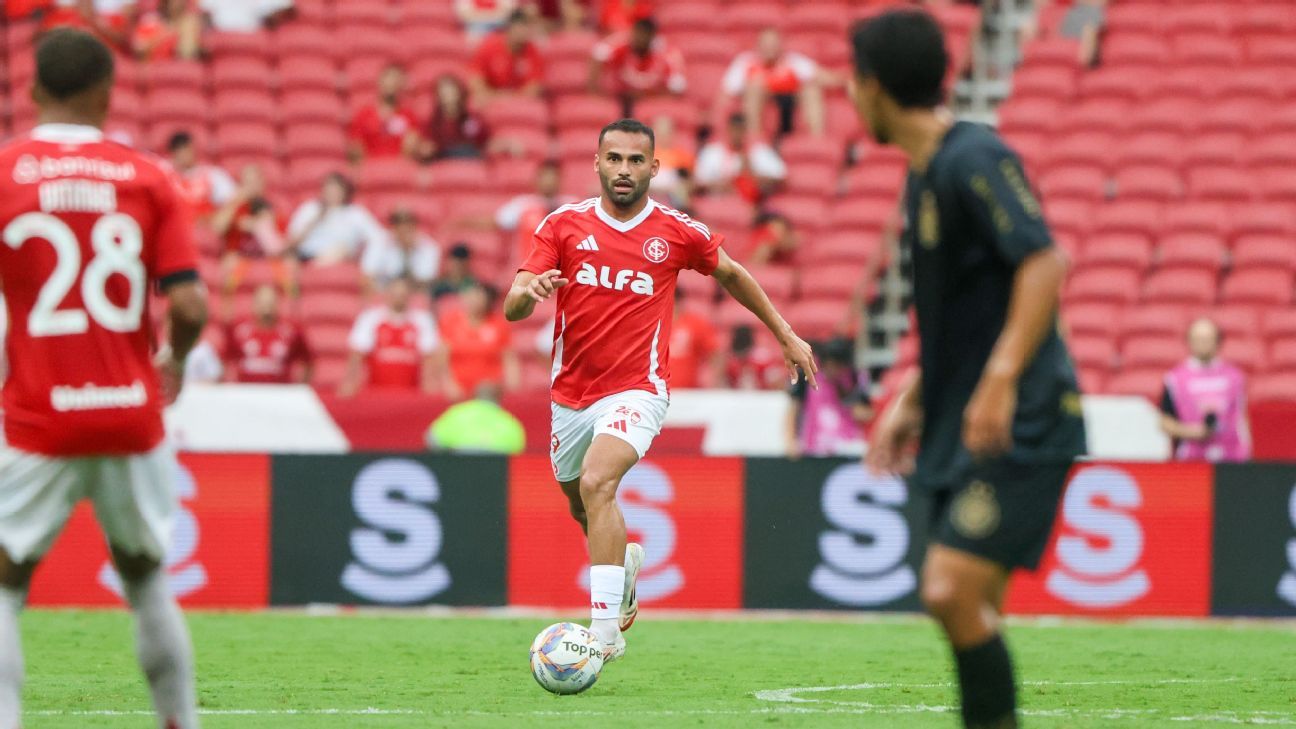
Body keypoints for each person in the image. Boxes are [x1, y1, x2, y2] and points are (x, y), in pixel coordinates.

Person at [503, 118, 816, 663]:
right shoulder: (563, 225)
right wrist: (530, 293)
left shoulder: (675, 231)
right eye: (614, 159)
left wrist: (785, 334)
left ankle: (603, 636)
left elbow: (733, 273)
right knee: (582, 504)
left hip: (638, 389)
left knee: (599, 480)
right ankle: (622, 573)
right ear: (597, 164)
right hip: (570, 395)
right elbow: (512, 305)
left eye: (635, 160)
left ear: (654, 166)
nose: (624, 169)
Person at [854, 11, 1086, 729]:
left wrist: (1000, 380)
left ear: (873, 87)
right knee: (972, 600)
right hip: (964, 416)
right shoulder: (925, 176)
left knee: (948, 588)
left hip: (1023, 416)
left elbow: (1044, 262)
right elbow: (965, 321)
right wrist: (915, 397)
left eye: (853, 82)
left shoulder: (971, 157)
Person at [0, 29, 207, 729]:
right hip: (130, 413)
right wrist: (173, 361)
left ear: (32, 91)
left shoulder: (6, 173)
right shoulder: (147, 177)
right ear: (108, 94)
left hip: (37, 416)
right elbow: (188, 305)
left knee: (4, 589)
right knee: (146, 580)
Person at [1159, 318, 1251, 463]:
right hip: (1191, 458)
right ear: (1189, 341)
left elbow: (1242, 417)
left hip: (1232, 457)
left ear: (1218, 341)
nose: (1203, 343)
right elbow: (1165, 421)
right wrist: (1194, 433)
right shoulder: (1175, 379)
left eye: (1208, 338)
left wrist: (1247, 450)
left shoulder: (1235, 377)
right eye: (1198, 338)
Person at [340, 277, 446, 397]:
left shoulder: (422, 320)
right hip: (376, 392)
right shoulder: (370, 318)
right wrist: (349, 383)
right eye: (395, 294)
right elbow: (357, 353)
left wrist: (429, 388)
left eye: (402, 295)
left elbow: (430, 357)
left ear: (409, 296)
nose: (398, 298)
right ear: (387, 295)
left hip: (411, 393)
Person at [718, 27, 828, 139]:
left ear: (781, 45)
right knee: (754, 87)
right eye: (766, 44)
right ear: (758, 45)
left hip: (791, 99)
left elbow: (822, 76)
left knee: (811, 89)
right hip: (763, 99)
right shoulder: (746, 61)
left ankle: (817, 138)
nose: (770, 48)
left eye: (773, 44)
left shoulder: (793, 60)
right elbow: (727, 91)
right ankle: (754, 138)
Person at [210, 163, 294, 298]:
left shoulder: (272, 209)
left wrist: (260, 226)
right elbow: (217, 227)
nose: (251, 187)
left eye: (254, 181)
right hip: (239, 258)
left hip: (269, 259)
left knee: (289, 265)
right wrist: (235, 201)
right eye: (247, 183)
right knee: (227, 264)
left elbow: (284, 242)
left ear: (262, 183)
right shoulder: (235, 207)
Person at [786, 337, 872, 458]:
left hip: (846, 445)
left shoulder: (854, 378)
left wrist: (847, 398)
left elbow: (865, 413)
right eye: (829, 365)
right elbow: (793, 410)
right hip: (813, 445)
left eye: (837, 366)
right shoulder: (806, 375)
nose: (832, 370)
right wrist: (791, 441)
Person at [589, 17, 686, 116]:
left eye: (644, 35)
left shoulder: (668, 54)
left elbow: (677, 89)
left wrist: (648, 96)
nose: (640, 39)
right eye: (637, 34)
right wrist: (595, 91)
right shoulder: (620, 43)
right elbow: (599, 55)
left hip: (649, 101)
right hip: (620, 98)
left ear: (652, 37)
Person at [286, 172, 386, 265]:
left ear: (345, 192)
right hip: (304, 254)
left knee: (342, 250)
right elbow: (291, 241)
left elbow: (376, 236)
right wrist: (315, 220)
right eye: (329, 189)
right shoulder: (310, 208)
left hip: (338, 255)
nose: (332, 193)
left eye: (336, 189)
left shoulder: (355, 213)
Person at [439, 282, 519, 399]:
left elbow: (509, 359)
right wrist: (448, 384)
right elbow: (442, 358)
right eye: (471, 296)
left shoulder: (498, 324)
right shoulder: (451, 322)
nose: (474, 301)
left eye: (479, 297)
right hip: (458, 389)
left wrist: (512, 387)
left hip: (489, 391)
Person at [223, 284, 314, 384]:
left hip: (280, 391)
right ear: (254, 304)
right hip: (246, 390)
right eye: (262, 302)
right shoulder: (239, 331)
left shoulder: (291, 332)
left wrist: (299, 388)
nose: (266, 307)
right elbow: (225, 361)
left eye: (270, 302)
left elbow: (308, 362)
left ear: (277, 304)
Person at [694, 112, 787, 202]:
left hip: (751, 202)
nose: (737, 135)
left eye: (740, 130)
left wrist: (751, 176)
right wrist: (724, 184)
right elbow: (697, 183)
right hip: (717, 201)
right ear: (728, 130)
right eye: (734, 130)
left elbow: (780, 178)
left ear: (746, 131)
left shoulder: (760, 151)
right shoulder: (713, 152)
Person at [497, 160, 569, 263]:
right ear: (537, 179)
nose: (549, 181)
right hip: (528, 265)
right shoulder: (522, 204)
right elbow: (498, 221)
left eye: (553, 177)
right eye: (545, 176)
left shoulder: (570, 206)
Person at [347, 63, 420, 163]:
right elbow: (356, 146)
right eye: (388, 79)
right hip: (370, 167)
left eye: (396, 80)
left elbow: (412, 144)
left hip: (400, 167)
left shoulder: (408, 115)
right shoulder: (364, 115)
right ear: (379, 81)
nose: (391, 84)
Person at [426, 383, 526, 454]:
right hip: (496, 472)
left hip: (459, 468)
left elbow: (432, 440)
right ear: (499, 399)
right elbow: (518, 451)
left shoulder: (456, 413)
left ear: (474, 396)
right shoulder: (510, 422)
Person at [468, 9, 544, 101]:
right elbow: (475, 79)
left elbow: (534, 88)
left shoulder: (533, 51)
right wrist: (493, 96)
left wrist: (509, 98)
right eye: (522, 26)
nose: (525, 31)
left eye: (529, 26)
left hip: (518, 102)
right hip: (491, 100)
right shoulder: (490, 45)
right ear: (510, 27)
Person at [414, 74, 493, 162]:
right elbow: (429, 144)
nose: (448, 95)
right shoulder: (434, 123)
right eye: (444, 92)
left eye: (451, 91)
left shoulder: (471, 119)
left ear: (459, 92)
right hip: (443, 158)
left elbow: (483, 141)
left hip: (469, 157)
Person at [361, 208, 441, 293]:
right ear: (393, 227)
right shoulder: (379, 243)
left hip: (415, 292)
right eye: (399, 225)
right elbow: (367, 276)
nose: (403, 229)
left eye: (408, 225)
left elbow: (426, 282)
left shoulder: (428, 247)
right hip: (384, 291)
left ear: (414, 226)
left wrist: (408, 252)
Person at [164, 130, 236, 223]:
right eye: (178, 150)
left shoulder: (212, 175)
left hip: (206, 225)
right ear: (172, 153)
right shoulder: (165, 176)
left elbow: (230, 200)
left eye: (185, 149)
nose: (183, 154)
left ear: (193, 149)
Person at [669, 288, 721, 389]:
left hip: (688, 392)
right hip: (656, 391)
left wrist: (714, 381)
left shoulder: (695, 324)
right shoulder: (652, 324)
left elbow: (715, 354)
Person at [724, 324, 784, 389]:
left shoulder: (762, 358)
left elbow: (776, 382)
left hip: (760, 393)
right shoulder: (729, 359)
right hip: (736, 393)